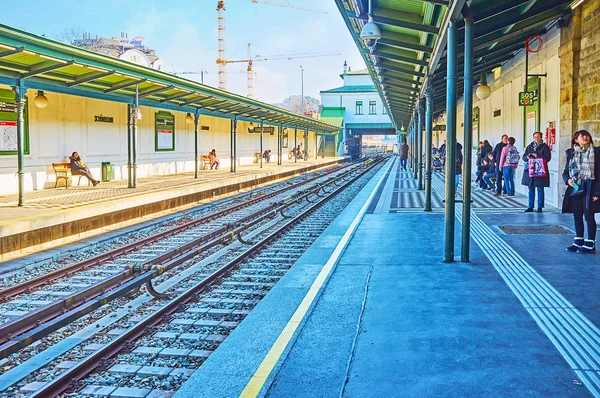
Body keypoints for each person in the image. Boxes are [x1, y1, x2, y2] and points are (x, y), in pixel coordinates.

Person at [563, 130, 600, 254]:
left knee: (589, 215)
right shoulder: (571, 153)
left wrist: (597, 193)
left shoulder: (597, 152)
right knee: (577, 215)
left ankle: (590, 243)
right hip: (576, 188)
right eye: (581, 136)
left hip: (590, 188)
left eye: (586, 135)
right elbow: (565, 172)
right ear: (576, 140)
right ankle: (578, 240)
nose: (585, 137)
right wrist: (567, 180)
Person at [522, 132, 552, 212]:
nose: (536, 139)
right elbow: (524, 157)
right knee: (530, 189)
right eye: (535, 137)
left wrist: (538, 156)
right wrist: (528, 156)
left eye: (538, 137)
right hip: (530, 170)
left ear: (541, 138)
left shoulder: (545, 147)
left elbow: (548, 158)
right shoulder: (529, 146)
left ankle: (540, 206)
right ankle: (530, 206)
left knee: (540, 188)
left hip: (540, 171)